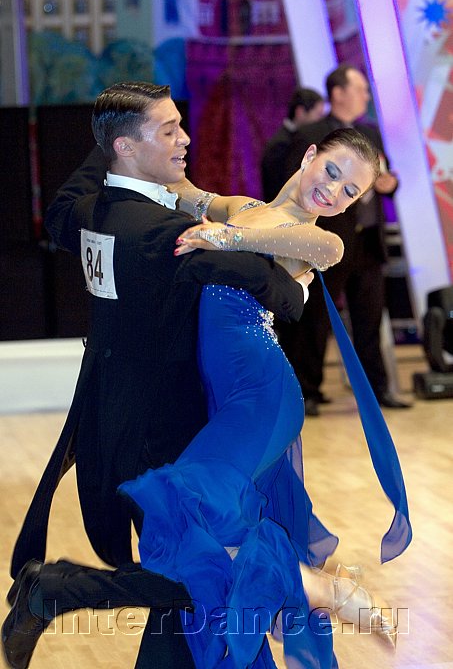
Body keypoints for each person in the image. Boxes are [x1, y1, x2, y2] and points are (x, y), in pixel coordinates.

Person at [2, 82, 307, 669]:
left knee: (195, 580)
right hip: (160, 438)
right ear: (125, 146)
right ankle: (57, 589)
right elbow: (276, 289)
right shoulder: (160, 235)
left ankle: (63, 595)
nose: (185, 139)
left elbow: (73, 190)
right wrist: (297, 283)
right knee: (203, 576)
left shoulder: (85, 212)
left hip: (116, 419)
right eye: (168, 130)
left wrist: (119, 121)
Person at [119, 128, 411, 667]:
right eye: (331, 172)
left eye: (350, 191)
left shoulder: (320, 241)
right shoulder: (244, 208)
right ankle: (295, 597)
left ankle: (322, 589)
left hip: (262, 394)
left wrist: (220, 237)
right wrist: (144, 147)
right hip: (227, 393)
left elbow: (274, 243)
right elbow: (186, 192)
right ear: (309, 155)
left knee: (186, 501)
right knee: (201, 524)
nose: (333, 191)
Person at [282, 63, 412, 416]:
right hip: (328, 240)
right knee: (316, 317)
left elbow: (385, 177)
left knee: (370, 319)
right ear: (338, 93)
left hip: (368, 241)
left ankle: (377, 390)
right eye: (360, 89)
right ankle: (308, 390)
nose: (366, 96)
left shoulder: (371, 134)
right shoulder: (313, 134)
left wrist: (390, 184)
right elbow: (298, 183)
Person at [261, 86, 325, 202]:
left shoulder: (294, 139)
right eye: (318, 115)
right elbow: (278, 188)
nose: (320, 121)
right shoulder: (281, 144)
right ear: (300, 112)